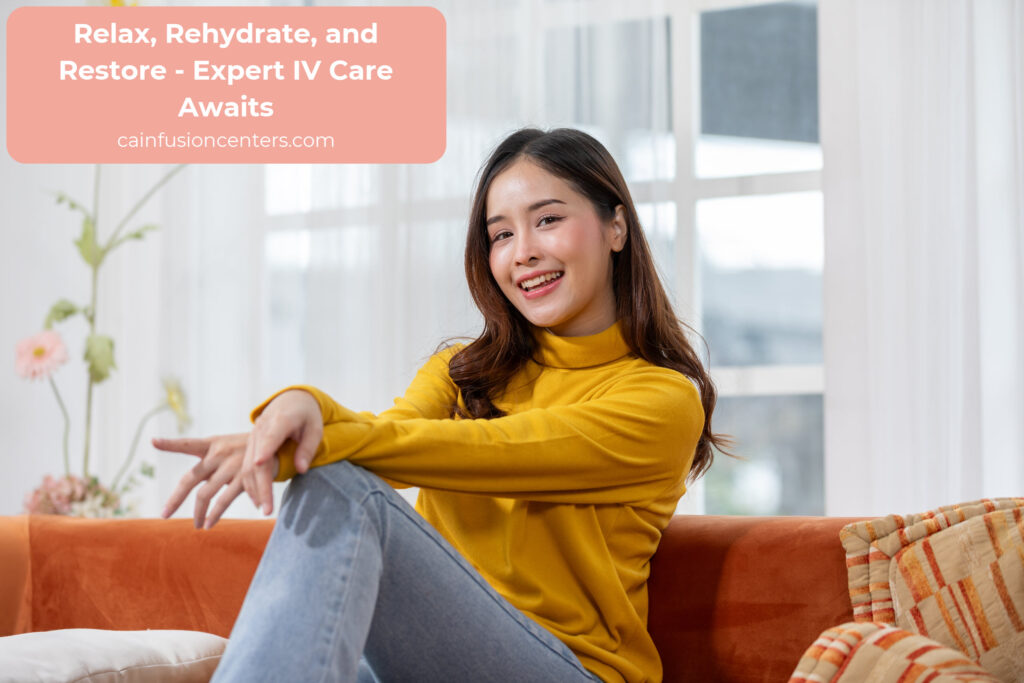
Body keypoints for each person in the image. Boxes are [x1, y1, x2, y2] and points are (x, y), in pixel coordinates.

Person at [155, 127, 727, 683]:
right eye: (500, 235)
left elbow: (500, 452)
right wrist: (299, 404)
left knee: (342, 487)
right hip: (426, 660)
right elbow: (391, 434)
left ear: (616, 227)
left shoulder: (662, 399)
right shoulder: (465, 370)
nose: (523, 252)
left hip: (568, 668)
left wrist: (308, 437)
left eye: (548, 220)